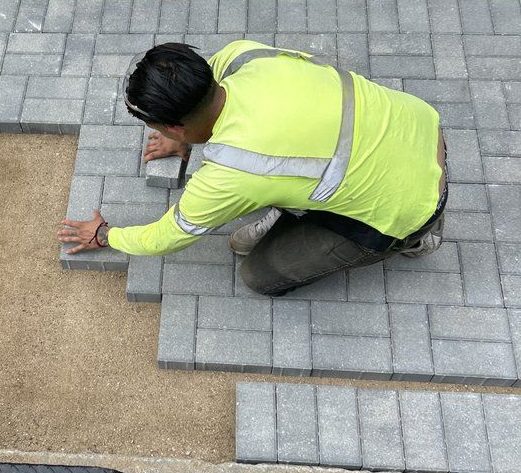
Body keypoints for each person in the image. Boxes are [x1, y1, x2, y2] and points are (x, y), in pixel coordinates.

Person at [58, 41, 447, 296]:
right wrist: (184, 136)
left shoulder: (232, 173)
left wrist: (107, 235)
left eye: (160, 127)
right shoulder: (243, 57)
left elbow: (167, 236)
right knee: (290, 177)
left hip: (410, 203)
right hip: (420, 125)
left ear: (174, 125)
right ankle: (297, 203)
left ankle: (417, 237)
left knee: (259, 275)